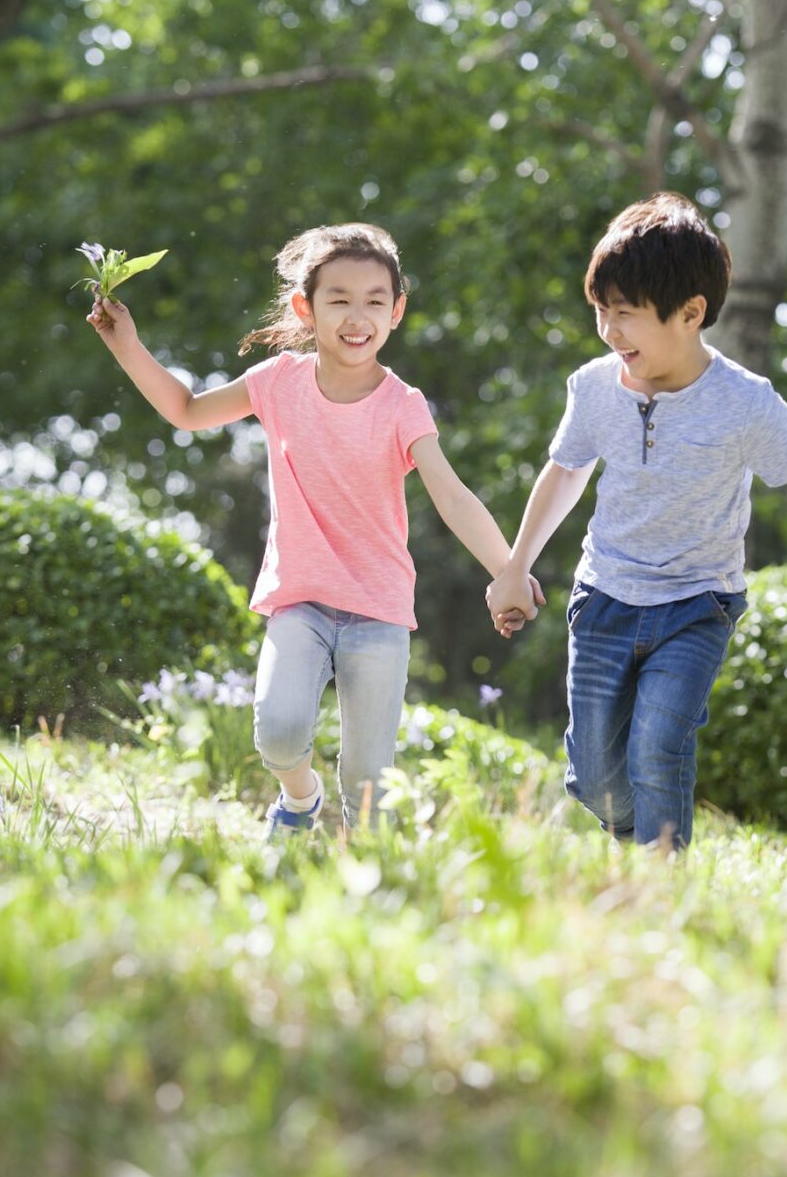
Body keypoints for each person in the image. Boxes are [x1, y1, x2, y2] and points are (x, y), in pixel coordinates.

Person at [485, 192, 787, 852]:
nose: (609, 332)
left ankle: (660, 882)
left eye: (625, 315)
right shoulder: (593, 386)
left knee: (657, 748)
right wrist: (514, 565)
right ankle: (634, 846)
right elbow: (565, 471)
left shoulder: (744, 403)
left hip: (696, 607)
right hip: (605, 599)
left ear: (690, 313)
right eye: (600, 312)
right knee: (593, 776)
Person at [89, 221, 537, 838]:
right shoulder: (279, 382)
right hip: (299, 600)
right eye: (340, 299)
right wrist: (127, 347)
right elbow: (188, 412)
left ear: (397, 311)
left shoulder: (402, 402)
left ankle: (365, 891)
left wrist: (508, 570)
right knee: (277, 733)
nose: (358, 317)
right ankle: (299, 800)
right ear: (307, 307)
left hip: (378, 610)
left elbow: (451, 495)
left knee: (368, 786)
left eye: (376, 301)